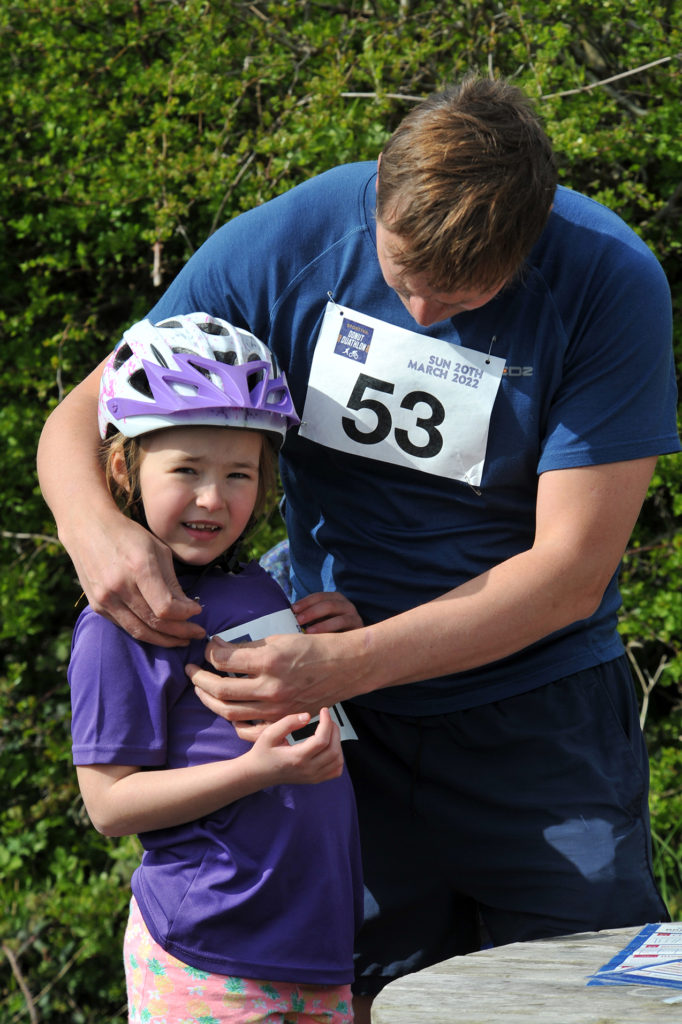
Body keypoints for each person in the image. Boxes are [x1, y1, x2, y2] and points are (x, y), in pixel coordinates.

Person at [40, 75, 680, 1022]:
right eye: (403, 271)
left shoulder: (609, 283)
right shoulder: (294, 241)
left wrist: (350, 662)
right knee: (375, 998)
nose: (421, 310)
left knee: (590, 999)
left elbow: (568, 575)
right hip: (341, 738)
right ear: (379, 189)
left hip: (538, 721)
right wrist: (97, 531)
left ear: (532, 237)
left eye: (465, 292)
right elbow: (87, 414)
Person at [67, 313, 363, 1024]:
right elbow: (109, 806)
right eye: (186, 470)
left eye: (239, 473)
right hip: (210, 955)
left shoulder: (261, 587)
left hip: (317, 948)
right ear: (123, 467)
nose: (213, 498)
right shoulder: (124, 620)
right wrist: (256, 770)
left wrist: (346, 652)